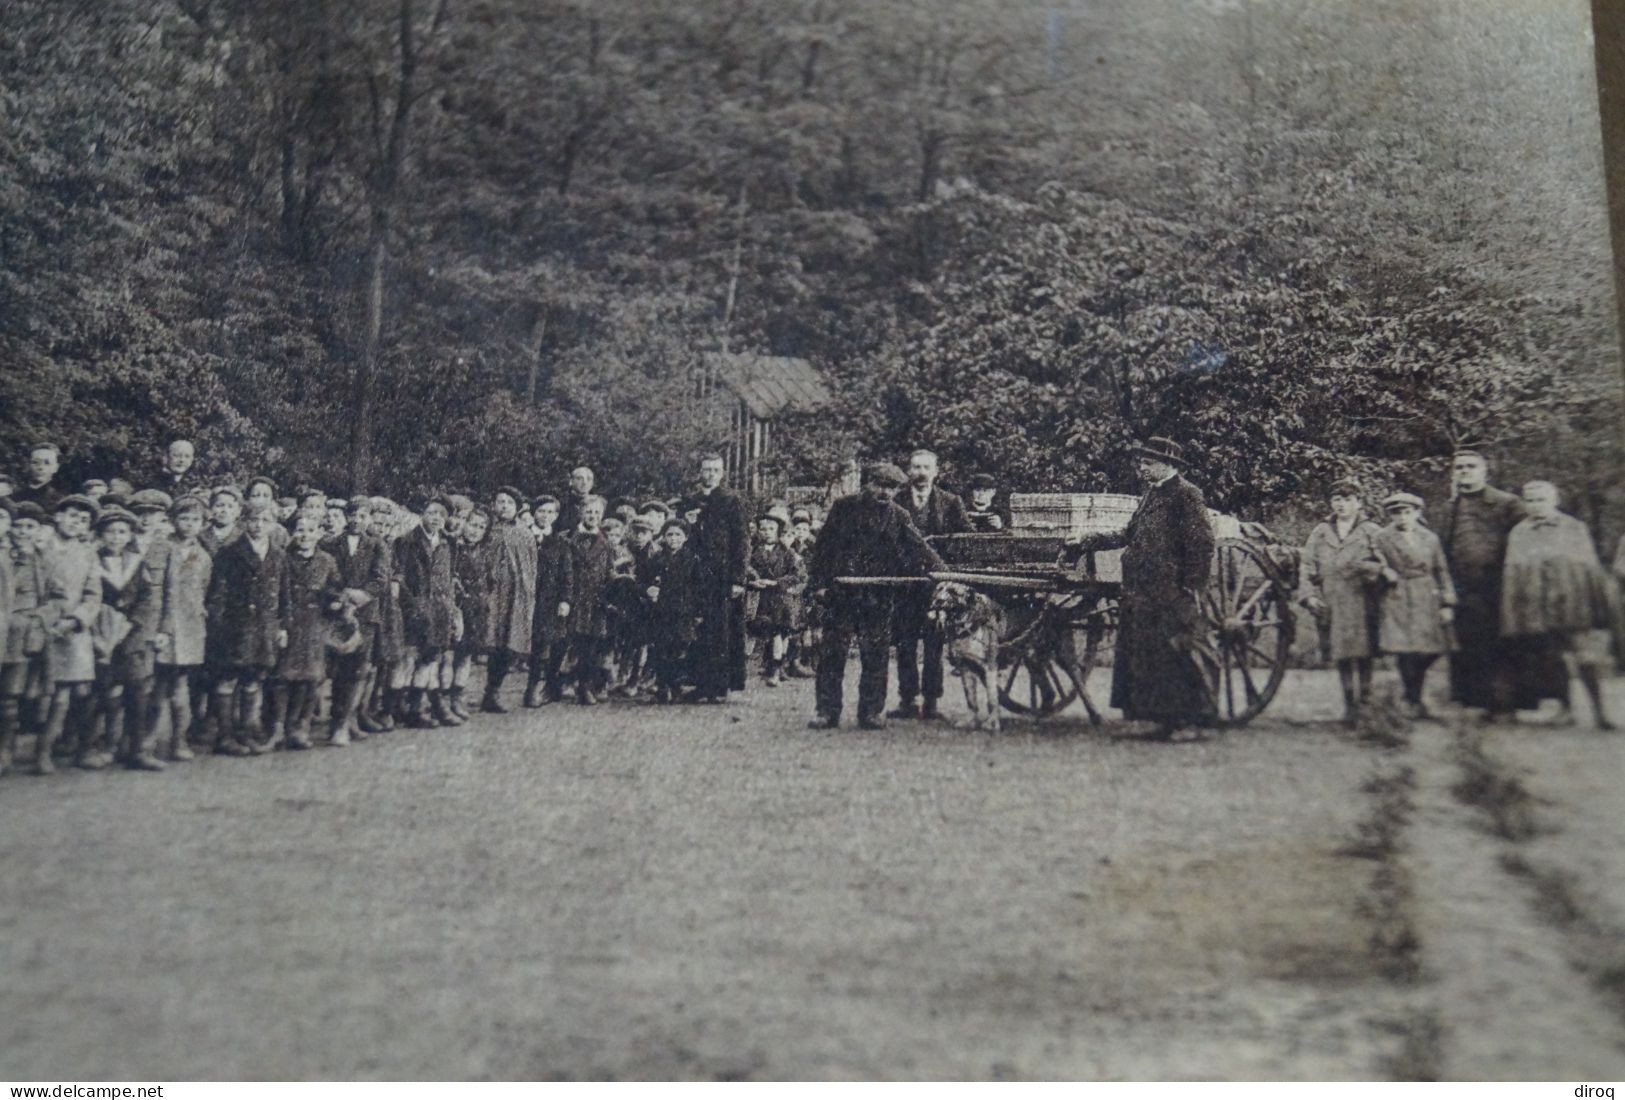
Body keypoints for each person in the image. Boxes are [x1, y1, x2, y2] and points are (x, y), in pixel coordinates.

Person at [1071, 438, 1217, 739]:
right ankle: (1153, 720)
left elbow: (1201, 545)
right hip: (1141, 589)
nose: (1142, 466)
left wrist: (1190, 588)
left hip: (1170, 593)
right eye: (1142, 461)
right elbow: (1129, 534)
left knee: (1176, 653)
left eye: (1148, 461)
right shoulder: (1151, 495)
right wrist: (1088, 540)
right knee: (1144, 655)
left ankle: (1190, 724)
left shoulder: (1187, 495)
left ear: (1170, 464)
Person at [805, 462, 944, 730]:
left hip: (877, 598)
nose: (886, 493)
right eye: (881, 486)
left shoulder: (899, 516)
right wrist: (818, 584)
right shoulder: (843, 508)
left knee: (876, 656)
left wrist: (946, 576)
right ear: (867, 483)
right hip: (841, 595)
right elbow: (823, 549)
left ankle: (870, 712)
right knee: (833, 655)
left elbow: (921, 550)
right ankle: (826, 711)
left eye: (892, 488)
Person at [1499, 480, 1619, 729]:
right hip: (1538, 606)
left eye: (1541, 499)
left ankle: (1600, 713)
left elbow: (1590, 568)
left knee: (1586, 657)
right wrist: (1515, 613)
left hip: (1573, 604)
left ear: (1554, 501)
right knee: (1553, 659)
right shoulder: (1519, 533)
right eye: (1530, 500)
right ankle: (1566, 710)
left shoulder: (1573, 528)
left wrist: (1597, 606)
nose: (1535, 505)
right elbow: (1513, 574)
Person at [1440, 448, 1527, 719]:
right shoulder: (1450, 508)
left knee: (1502, 645)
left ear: (1484, 471)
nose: (1464, 471)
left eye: (1470, 466)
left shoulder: (1507, 503)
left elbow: (1524, 541)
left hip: (1500, 587)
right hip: (1463, 588)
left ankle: (1506, 704)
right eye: (1459, 467)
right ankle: (1476, 702)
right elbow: (1443, 548)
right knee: (1468, 645)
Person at [203, 499, 290, 756]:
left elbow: (284, 595)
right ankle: (225, 735)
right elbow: (217, 594)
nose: (259, 525)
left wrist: (283, 625)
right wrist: (218, 627)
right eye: (253, 520)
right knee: (228, 679)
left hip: (264, 628)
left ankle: (246, 731)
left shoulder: (278, 554)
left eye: (265, 520)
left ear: (273, 524)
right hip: (235, 628)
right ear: (244, 522)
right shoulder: (229, 553)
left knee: (254, 679)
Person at [890, 449, 970, 720]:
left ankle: (932, 702)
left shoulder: (951, 502)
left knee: (935, 644)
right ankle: (907, 700)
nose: (921, 473)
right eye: (916, 467)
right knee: (905, 643)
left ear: (936, 472)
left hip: (938, 587)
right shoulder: (896, 500)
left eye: (926, 468)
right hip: (904, 584)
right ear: (908, 471)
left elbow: (965, 541)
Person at [1301, 480, 1386, 723]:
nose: (1342, 505)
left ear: (1358, 503)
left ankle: (1366, 703)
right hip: (1333, 599)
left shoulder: (1372, 531)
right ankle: (1350, 706)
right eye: (1337, 499)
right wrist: (1309, 595)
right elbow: (1307, 564)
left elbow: (1387, 563)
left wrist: (1370, 569)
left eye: (1348, 499)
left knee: (1365, 652)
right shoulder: (1321, 532)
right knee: (1342, 653)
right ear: (1331, 503)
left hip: (1363, 601)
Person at [92, 505, 164, 770]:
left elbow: (147, 599)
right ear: (101, 534)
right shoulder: (92, 561)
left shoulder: (136, 562)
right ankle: (101, 746)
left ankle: (137, 748)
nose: (116, 537)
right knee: (103, 691)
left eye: (122, 531)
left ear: (130, 535)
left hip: (131, 634)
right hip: (100, 632)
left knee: (137, 689)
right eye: (110, 531)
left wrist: (131, 624)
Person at [1373, 493, 1457, 718]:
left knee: (1432, 649)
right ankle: (1414, 701)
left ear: (1417, 513)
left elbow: (1441, 570)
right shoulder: (1382, 537)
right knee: (1405, 651)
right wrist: (1382, 571)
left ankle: (1413, 696)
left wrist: (1447, 602)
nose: (1402, 517)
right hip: (1397, 596)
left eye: (1407, 512)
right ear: (1391, 515)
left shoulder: (1429, 538)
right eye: (1397, 513)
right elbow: (1369, 562)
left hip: (1426, 596)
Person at [269, 512, 343, 751]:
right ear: (292, 533)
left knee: (310, 678)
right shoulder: (282, 559)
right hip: (289, 623)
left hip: (315, 624)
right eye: (300, 530)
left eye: (311, 531)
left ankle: (301, 726)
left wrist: (334, 602)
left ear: (319, 534)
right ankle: (277, 727)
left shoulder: (327, 561)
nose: (305, 535)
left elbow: (335, 588)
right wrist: (280, 623)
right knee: (282, 677)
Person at [150, 494, 211, 762]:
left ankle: (179, 740)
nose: (188, 524)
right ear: (173, 520)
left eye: (195, 519)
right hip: (163, 625)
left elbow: (203, 590)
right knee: (157, 685)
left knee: (180, 685)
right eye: (183, 518)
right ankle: (146, 741)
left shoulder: (204, 556)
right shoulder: (161, 547)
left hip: (190, 628)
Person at [688, 454, 750, 703]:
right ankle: (700, 684)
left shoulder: (731, 500)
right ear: (700, 472)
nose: (711, 474)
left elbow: (741, 541)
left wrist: (738, 578)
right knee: (699, 629)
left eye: (715, 470)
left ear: (722, 473)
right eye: (706, 470)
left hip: (722, 575)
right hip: (696, 574)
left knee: (721, 630)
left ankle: (720, 686)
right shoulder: (691, 500)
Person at [395, 495, 459, 727]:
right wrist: (412, 605)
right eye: (432, 513)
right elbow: (399, 578)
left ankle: (417, 708)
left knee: (430, 659)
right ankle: (397, 708)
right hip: (415, 609)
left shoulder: (448, 543)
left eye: (441, 515)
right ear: (423, 514)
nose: (436, 518)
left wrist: (451, 610)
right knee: (409, 659)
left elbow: (449, 578)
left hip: (439, 611)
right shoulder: (407, 541)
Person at [1, 503, 49, 775]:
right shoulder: (3, 555)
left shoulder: (42, 560)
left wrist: (39, 619)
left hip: (21, 637)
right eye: (18, 525)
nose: (23, 531)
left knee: (10, 698)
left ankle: (5, 751)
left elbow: (56, 597)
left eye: (30, 527)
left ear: (39, 530)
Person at [481, 486, 537, 713]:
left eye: (509, 503)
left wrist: (528, 593)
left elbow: (531, 566)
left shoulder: (525, 533)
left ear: (517, 508)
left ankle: (493, 691)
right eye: (500, 501)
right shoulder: (487, 529)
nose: (504, 506)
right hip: (492, 594)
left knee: (508, 644)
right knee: (489, 641)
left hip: (515, 597)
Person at [526, 495, 574, 707]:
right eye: (541, 511)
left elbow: (567, 574)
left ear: (555, 516)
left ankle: (537, 688)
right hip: (526, 598)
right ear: (533, 513)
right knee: (531, 644)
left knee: (547, 644)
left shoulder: (561, 542)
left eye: (550, 512)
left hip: (550, 600)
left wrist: (565, 599)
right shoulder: (524, 536)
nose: (545, 516)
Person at [746, 513, 806, 686]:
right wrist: (753, 582)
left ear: (778, 531)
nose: (766, 532)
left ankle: (776, 670)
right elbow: (744, 571)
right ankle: (744, 666)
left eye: (771, 529)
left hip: (780, 599)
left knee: (778, 633)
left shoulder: (788, 553)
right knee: (752, 631)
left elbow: (797, 575)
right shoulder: (752, 551)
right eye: (763, 529)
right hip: (759, 597)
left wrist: (775, 582)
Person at [647, 519, 703, 703]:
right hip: (661, 611)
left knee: (680, 647)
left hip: (683, 611)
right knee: (662, 647)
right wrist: (648, 590)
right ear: (663, 537)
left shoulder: (693, 560)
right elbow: (644, 580)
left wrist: (698, 612)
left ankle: (675, 684)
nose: (673, 539)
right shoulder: (656, 559)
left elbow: (699, 587)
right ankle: (663, 685)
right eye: (669, 534)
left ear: (685, 538)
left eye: (678, 534)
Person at [566, 495, 615, 705]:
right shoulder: (568, 538)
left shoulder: (606, 543)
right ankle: (558, 684)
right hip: (573, 597)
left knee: (591, 645)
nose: (592, 516)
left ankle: (585, 686)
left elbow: (609, 572)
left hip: (596, 600)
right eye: (589, 511)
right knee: (569, 642)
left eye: (596, 512)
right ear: (581, 513)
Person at [450, 505, 493, 722]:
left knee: (465, 655)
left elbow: (490, 581)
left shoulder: (484, 552)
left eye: (481, 527)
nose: (474, 530)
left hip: (476, 609)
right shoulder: (452, 548)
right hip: (456, 608)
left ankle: (457, 696)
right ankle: (441, 697)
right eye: (472, 524)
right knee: (448, 655)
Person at [14, 443, 66, 514]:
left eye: (47, 463)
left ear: (55, 468)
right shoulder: (15, 497)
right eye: (35, 462)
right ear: (29, 465)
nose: (40, 467)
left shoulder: (60, 502)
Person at [200, 484, 244, 555]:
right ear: (210, 508)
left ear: (239, 511)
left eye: (230, 506)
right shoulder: (201, 536)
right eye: (219, 505)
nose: (224, 510)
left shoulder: (243, 537)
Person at [557, 466, 596, 535]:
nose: (584, 482)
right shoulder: (561, 503)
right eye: (579, 478)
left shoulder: (599, 503)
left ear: (592, 483)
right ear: (571, 481)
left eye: (589, 479)